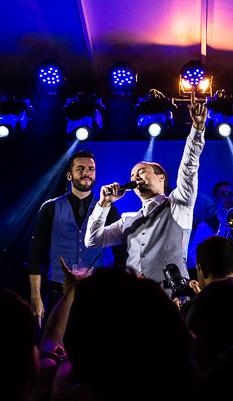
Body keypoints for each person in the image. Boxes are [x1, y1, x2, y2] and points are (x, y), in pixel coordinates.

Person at [85, 92, 207, 282]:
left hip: (169, 298)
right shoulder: (128, 220)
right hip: (134, 298)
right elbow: (93, 241)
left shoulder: (178, 205)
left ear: (161, 178)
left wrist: (197, 129)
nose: (135, 177)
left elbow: (189, 168)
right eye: (133, 175)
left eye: (141, 172)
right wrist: (103, 205)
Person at [27, 150, 122, 327]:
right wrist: (35, 296)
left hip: (94, 291)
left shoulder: (109, 208)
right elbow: (36, 255)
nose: (87, 172)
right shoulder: (50, 208)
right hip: (58, 290)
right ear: (69, 175)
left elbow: (121, 255)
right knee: (53, 345)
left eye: (91, 169)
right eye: (80, 168)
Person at [187, 182, 233, 269]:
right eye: (224, 194)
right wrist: (221, 230)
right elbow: (197, 256)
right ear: (214, 199)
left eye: (231, 194)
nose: (229, 197)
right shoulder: (205, 226)